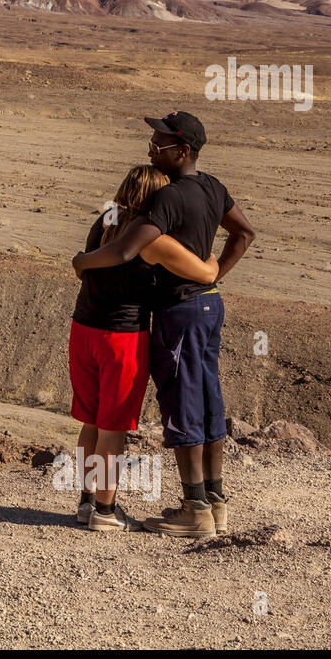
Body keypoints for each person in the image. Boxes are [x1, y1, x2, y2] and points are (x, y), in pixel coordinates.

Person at [73, 112, 255, 538]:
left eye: (159, 142)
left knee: (107, 419)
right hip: (157, 324)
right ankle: (205, 502)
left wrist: (80, 262)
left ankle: (98, 504)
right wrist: (216, 271)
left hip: (97, 327)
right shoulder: (212, 188)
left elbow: (121, 253)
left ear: (182, 150)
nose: (152, 146)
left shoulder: (117, 222)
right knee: (203, 402)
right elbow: (239, 238)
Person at [71, 165, 219, 532]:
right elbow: (205, 274)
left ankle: (86, 502)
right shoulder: (149, 238)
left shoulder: (105, 221)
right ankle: (107, 511)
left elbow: (84, 266)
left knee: (91, 420)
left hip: (83, 329)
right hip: (122, 337)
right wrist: (214, 260)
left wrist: (81, 261)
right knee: (113, 427)